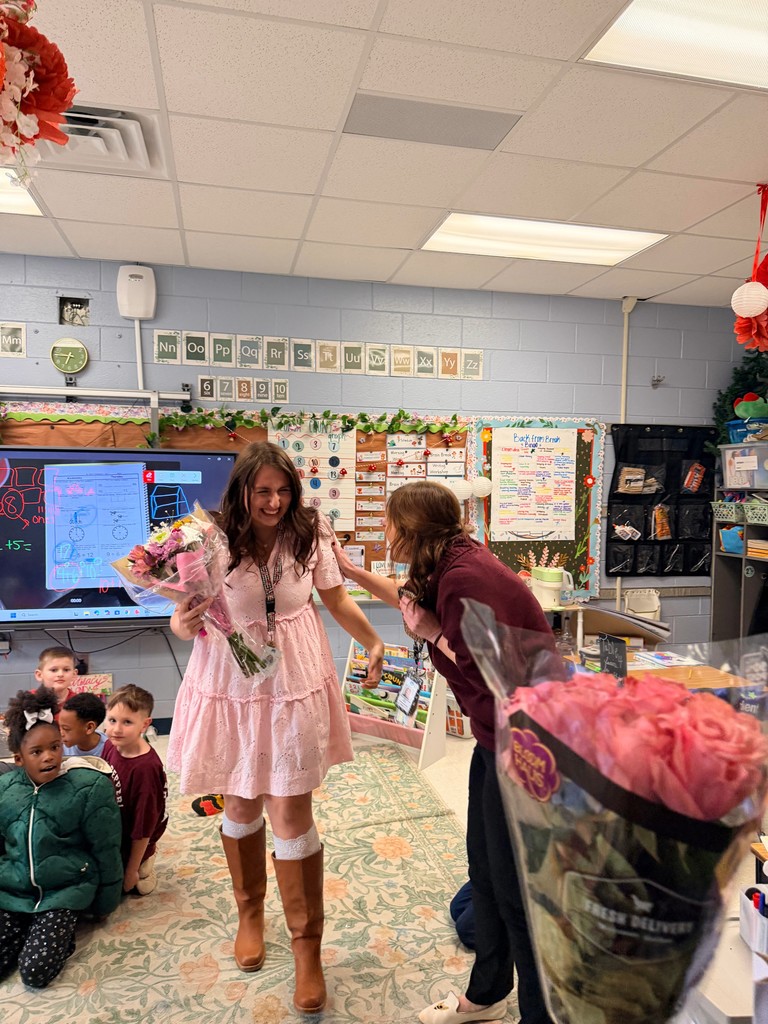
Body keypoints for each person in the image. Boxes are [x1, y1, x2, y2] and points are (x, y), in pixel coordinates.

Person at [167, 440, 384, 1014]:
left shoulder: (310, 533)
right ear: (242, 491)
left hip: (293, 682)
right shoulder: (207, 537)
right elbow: (183, 613)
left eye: (283, 490)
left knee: (291, 809)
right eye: (262, 491)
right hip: (231, 682)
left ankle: (307, 948)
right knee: (239, 806)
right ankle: (250, 914)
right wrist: (183, 621)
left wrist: (373, 639)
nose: (274, 501)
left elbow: (335, 599)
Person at [334, 479, 557, 1024]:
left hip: (523, 744)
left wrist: (433, 635)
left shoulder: (462, 579)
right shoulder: (451, 562)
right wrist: (354, 573)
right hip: (495, 739)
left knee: (513, 892)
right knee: (483, 868)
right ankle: (486, 993)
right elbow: (411, 601)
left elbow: (488, 674)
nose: (384, 533)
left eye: (388, 522)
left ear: (409, 528)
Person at [0, 686, 122, 989]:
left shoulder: (88, 787)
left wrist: (105, 902)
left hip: (63, 893)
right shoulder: (5, 789)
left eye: (55, 747)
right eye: (37, 752)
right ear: (18, 759)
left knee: (35, 972)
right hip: (13, 893)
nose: (49, 757)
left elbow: (106, 848)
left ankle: (60, 933)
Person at [102, 685, 167, 898]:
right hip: (114, 823)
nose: (116, 729)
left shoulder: (145, 769)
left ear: (144, 724)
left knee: (126, 887)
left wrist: (131, 871)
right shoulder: (111, 745)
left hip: (136, 834)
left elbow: (144, 826)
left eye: (127, 722)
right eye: (112, 720)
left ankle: (144, 862)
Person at [59, 692, 107, 757]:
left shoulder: (110, 750)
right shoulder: (61, 748)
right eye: (60, 727)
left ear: (89, 728)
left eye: (66, 729)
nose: (61, 734)